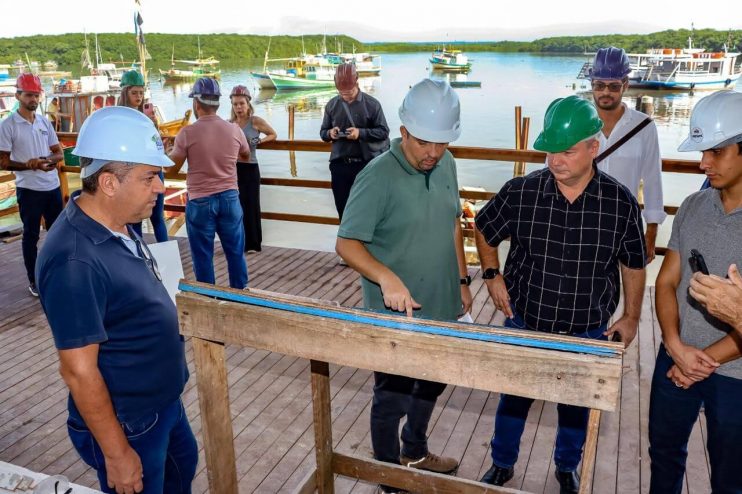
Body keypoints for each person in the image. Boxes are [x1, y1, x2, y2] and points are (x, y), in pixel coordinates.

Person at [475, 96, 647, 493]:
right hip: (526, 322)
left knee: (575, 409)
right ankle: (502, 463)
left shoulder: (620, 203)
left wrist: (632, 316)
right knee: (513, 401)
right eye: (550, 151)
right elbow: (484, 228)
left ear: (593, 147)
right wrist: (490, 274)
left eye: (566, 151)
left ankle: (566, 468)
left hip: (587, 330)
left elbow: (634, 264)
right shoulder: (521, 192)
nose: (554, 160)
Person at [35, 106, 197, 494]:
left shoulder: (115, 222)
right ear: (108, 182)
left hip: (162, 404)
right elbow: (78, 371)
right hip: (130, 422)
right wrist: (117, 455)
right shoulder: (74, 260)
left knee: (182, 472)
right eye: (149, 177)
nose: (160, 186)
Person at [336, 79, 472, 494]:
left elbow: (453, 222)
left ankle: (414, 450)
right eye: (424, 143)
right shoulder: (377, 176)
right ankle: (388, 477)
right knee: (390, 396)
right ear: (404, 130)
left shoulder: (445, 164)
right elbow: (346, 243)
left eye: (442, 144)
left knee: (433, 379)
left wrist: (463, 280)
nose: (433, 153)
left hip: (443, 300)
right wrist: (385, 275)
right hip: (394, 314)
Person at [649, 90, 742, 494]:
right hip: (675, 356)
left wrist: (698, 362)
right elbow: (667, 281)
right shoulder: (691, 205)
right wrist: (673, 344)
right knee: (664, 456)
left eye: (716, 151)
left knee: (729, 476)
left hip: (734, 374)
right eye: (702, 151)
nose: (703, 163)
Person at [169, 77, 250, 289]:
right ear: (218, 104)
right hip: (230, 198)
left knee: (203, 258)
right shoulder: (234, 129)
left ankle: (208, 301)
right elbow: (246, 154)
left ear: (196, 104)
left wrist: (169, 150)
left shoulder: (187, 133)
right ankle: (241, 301)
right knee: (235, 255)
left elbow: (172, 167)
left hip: (200, 201)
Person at [589, 46, 666, 262]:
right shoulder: (577, 122)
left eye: (613, 86)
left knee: (626, 289)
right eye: (599, 85)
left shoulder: (644, 127)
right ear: (591, 85)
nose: (605, 92)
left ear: (625, 84)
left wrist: (651, 232)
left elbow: (653, 179)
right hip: (580, 220)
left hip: (625, 224)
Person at [0, 73, 64, 297]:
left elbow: (59, 153)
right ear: (18, 95)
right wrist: (30, 166)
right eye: (29, 95)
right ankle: (34, 280)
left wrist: (46, 161)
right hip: (29, 190)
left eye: (36, 95)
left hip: (52, 187)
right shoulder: (8, 125)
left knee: (58, 234)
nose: (33, 100)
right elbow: (3, 161)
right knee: (31, 236)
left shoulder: (44, 121)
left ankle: (59, 274)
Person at [320, 63, 390, 219]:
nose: (346, 96)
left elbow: (384, 131)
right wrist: (331, 133)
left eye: (349, 92)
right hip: (339, 165)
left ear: (357, 83)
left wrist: (361, 133)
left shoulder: (372, 104)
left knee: (367, 211)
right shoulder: (332, 105)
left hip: (366, 165)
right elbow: (323, 133)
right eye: (342, 93)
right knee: (343, 212)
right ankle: (345, 242)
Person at [118, 69, 169, 243]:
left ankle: (165, 261)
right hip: (135, 173)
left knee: (157, 218)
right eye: (134, 93)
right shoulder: (120, 118)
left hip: (153, 170)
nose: (139, 96)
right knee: (135, 219)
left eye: (141, 92)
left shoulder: (144, 118)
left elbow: (154, 145)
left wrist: (154, 128)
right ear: (126, 93)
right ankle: (138, 259)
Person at [229, 84, 277, 252]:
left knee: (252, 205)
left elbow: (273, 134)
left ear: (248, 103)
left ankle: (254, 244)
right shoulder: (230, 124)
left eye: (241, 103)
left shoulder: (255, 121)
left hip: (250, 168)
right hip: (234, 168)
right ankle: (240, 242)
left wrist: (259, 141)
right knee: (237, 206)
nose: (239, 107)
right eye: (235, 104)